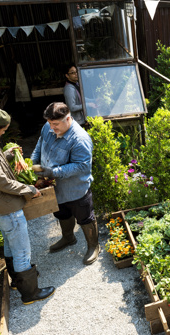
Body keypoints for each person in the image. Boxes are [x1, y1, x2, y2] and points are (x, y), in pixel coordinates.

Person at [0, 107, 55, 305]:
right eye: (3, 130)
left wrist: (6, 155)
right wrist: (28, 189)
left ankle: (17, 280)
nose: (4, 132)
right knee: (21, 249)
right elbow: (2, 182)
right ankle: (30, 293)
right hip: (5, 205)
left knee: (9, 242)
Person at [31, 102, 99, 265]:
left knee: (85, 218)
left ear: (68, 118)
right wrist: (33, 162)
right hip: (56, 189)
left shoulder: (80, 139)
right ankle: (68, 238)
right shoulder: (48, 128)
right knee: (61, 213)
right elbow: (40, 144)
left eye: (55, 124)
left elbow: (82, 166)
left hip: (75, 189)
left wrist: (53, 172)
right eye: (49, 123)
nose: (51, 128)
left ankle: (94, 246)